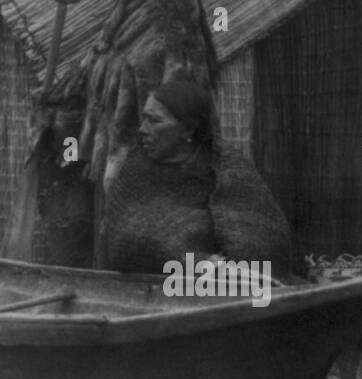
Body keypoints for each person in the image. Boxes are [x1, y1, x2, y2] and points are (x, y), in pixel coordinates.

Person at [38, 0, 218, 266]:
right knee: (108, 197)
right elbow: (104, 49)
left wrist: (159, 114)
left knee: (134, 200)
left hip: (146, 123)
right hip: (116, 120)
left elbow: (177, 65)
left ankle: (134, 279)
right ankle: (104, 275)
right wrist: (65, 89)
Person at [104, 79, 292, 274]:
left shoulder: (229, 168)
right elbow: (124, 239)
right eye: (144, 118)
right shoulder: (136, 169)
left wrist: (232, 266)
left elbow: (264, 238)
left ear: (187, 128)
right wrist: (202, 262)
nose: (142, 129)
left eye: (154, 121)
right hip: (154, 287)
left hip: (229, 288)